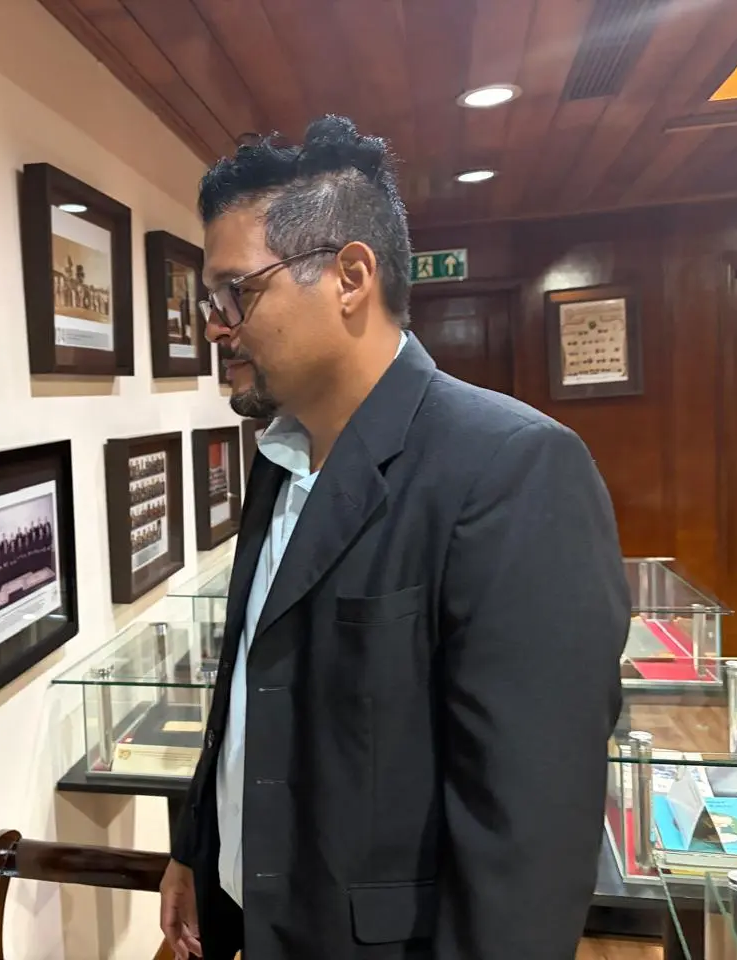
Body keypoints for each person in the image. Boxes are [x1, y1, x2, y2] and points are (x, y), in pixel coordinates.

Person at [158, 116, 629, 960]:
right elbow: (250, 682)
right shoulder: (277, 457)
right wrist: (202, 845)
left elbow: (527, 841)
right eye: (209, 301)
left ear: (349, 276)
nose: (215, 326)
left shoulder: (512, 471)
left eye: (238, 294)